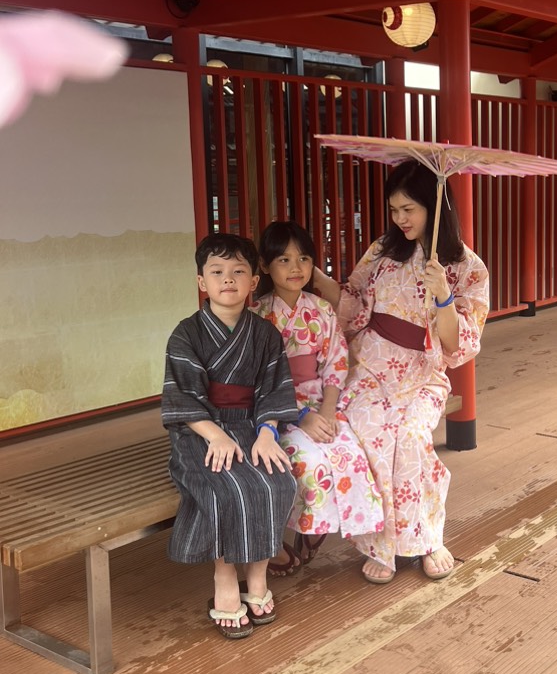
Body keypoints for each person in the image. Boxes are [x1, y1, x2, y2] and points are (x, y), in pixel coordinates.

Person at [314, 160, 489, 585]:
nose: (400, 219)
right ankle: (382, 544)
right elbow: (352, 301)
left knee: (410, 439)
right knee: (369, 433)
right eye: (394, 210)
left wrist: (444, 297)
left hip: (422, 374)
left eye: (409, 209)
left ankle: (428, 537)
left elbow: (458, 344)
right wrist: (310, 275)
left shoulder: (467, 267)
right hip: (371, 365)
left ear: (434, 206)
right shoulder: (382, 251)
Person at [161, 233, 299, 638]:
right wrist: (215, 436)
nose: (228, 279)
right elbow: (182, 397)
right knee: (225, 488)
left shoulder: (265, 335)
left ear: (253, 281)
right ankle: (224, 577)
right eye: (217, 271)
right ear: (201, 281)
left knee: (278, 482)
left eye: (239, 271)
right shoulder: (186, 334)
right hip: (200, 431)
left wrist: (268, 433)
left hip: (251, 425)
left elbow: (274, 390)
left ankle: (257, 578)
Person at [254, 220, 382, 577]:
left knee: (351, 453)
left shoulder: (322, 309)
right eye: (284, 260)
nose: (295, 268)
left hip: (320, 400)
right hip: (276, 412)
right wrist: (300, 416)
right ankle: (304, 526)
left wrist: (326, 411)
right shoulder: (257, 316)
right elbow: (258, 382)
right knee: (308, 461)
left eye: (304, 259)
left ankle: (321, 528)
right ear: (264, 265)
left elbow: (336, 363)